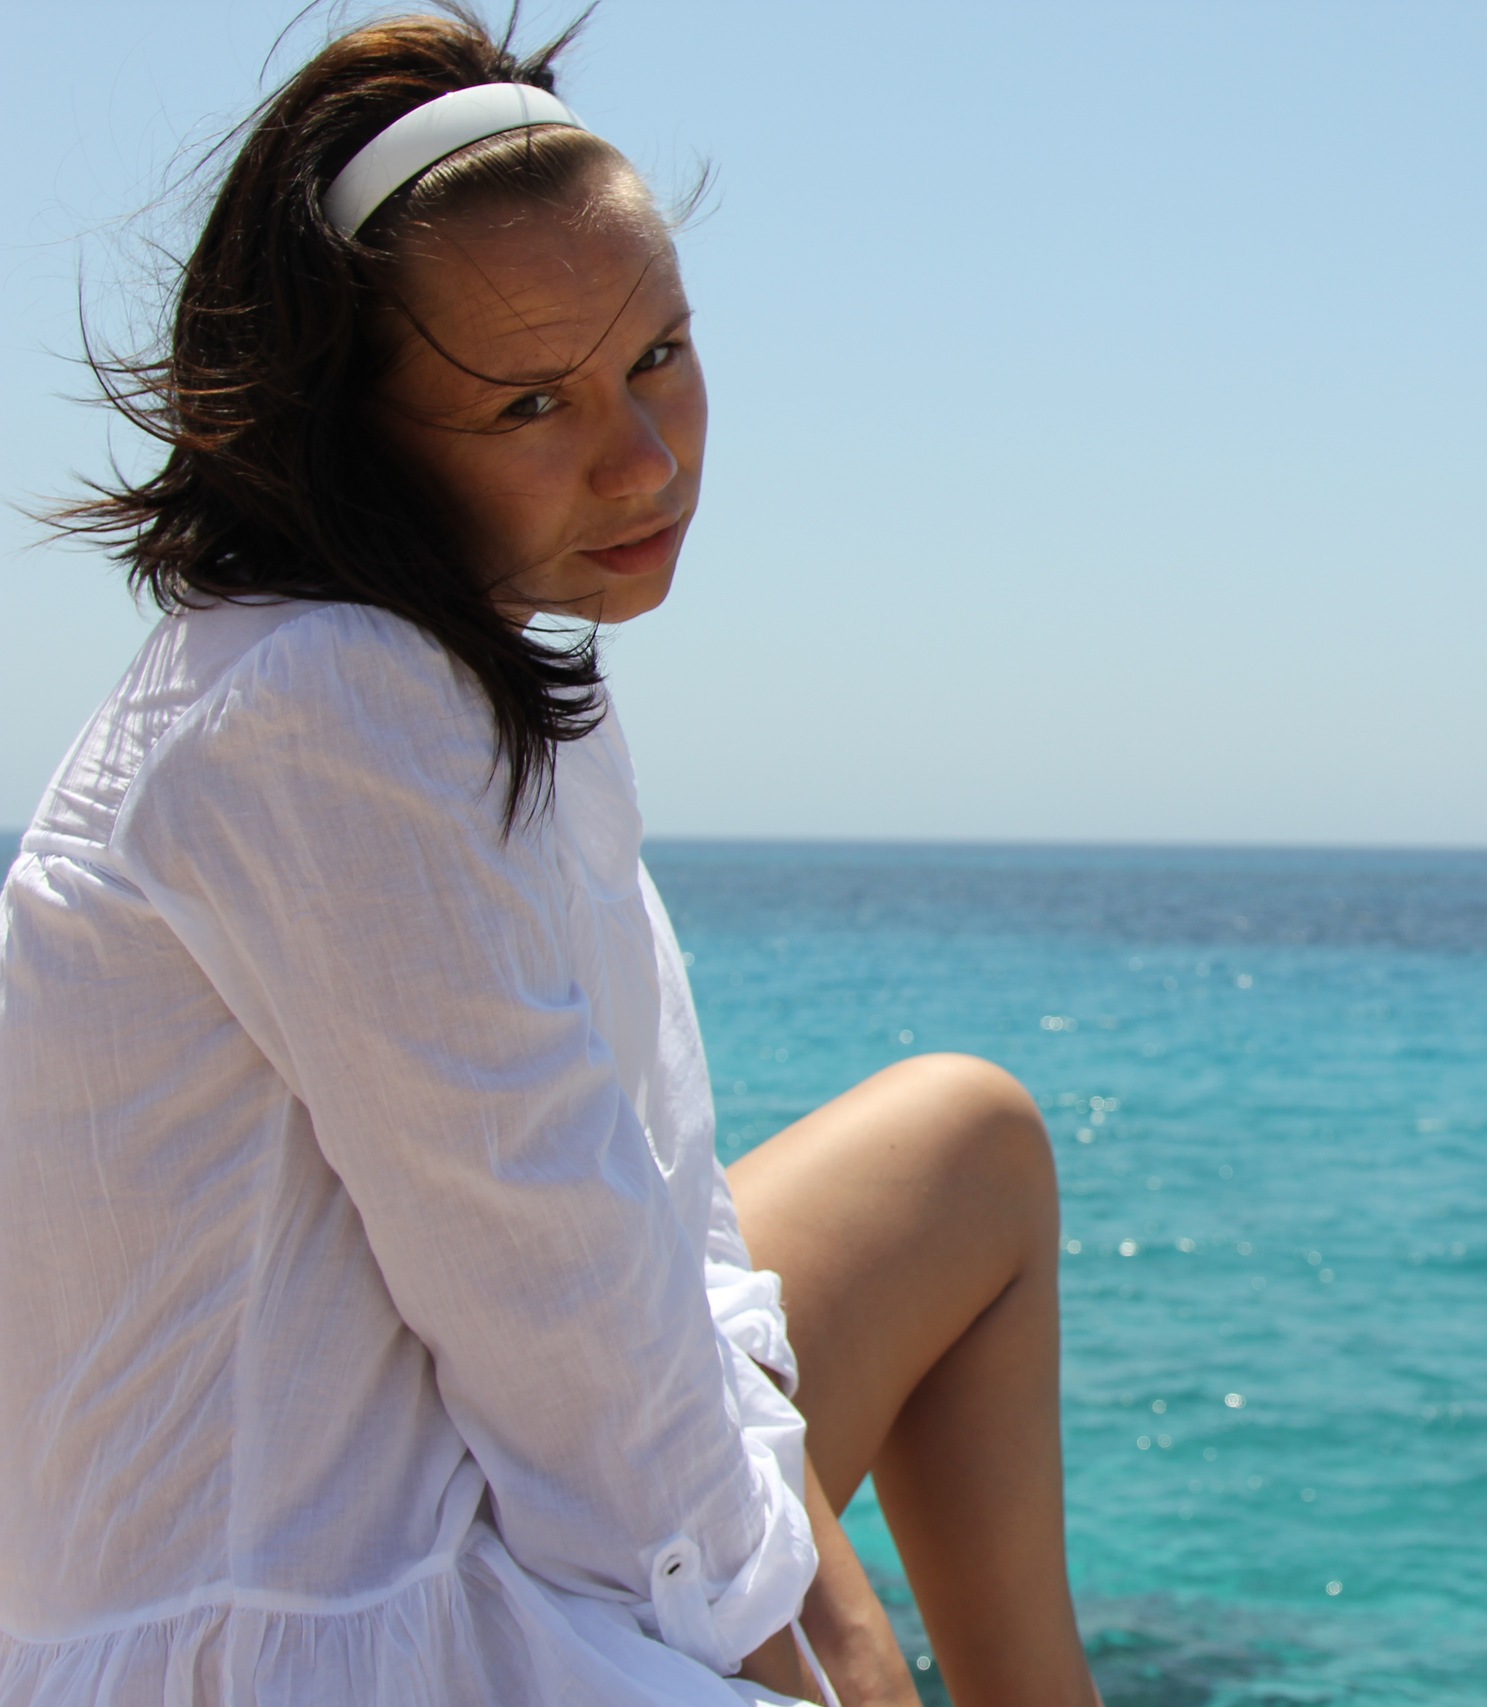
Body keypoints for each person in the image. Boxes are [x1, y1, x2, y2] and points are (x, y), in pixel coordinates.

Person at [0, 11, 1100, 1706]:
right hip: (329, 1628)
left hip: (462, 1476)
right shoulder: (326, 709)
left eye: (659, 353)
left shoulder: (455, 679)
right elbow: (566, 1337)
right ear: (352, 437)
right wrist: (817, 1664)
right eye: (530, 402)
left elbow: (651, 1227)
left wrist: (823, 1605)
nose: (644, 458)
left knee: (968, 1145)